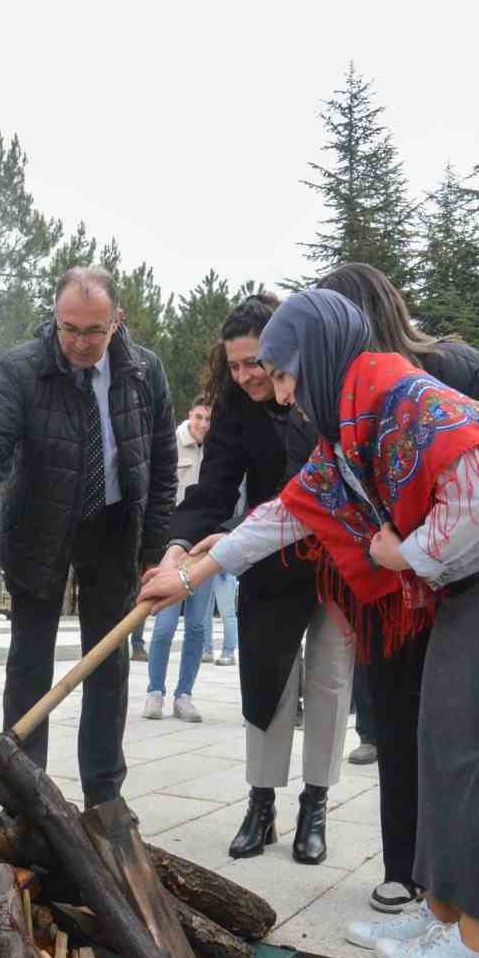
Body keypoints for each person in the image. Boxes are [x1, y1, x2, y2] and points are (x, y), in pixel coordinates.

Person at [142, 289, 479, 958]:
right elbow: (287, 513)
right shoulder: (352, 422)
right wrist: (189, 576)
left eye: (285, 375)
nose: (283, 395)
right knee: (442, 745)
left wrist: (404, 554)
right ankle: (439, 916)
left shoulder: (402, 394)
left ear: (317, 359)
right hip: (475, 582)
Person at [315, 262, 479, 914]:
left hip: (472, 581)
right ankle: (411, 872)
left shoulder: (451, 372)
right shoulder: (335, 390)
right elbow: (315, 485)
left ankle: (469, 904)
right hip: (392, 591)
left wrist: (418, 539)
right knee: (399, 726)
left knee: (468, 742)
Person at [0, 266, 177, 809]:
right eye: (69, 329)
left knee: (107, 663)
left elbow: (161, 466)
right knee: (29, 663)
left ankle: (104, 796)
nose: (80, 343)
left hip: (113, 528)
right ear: (56, 318)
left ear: (117, 321)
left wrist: (154, 553)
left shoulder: (144, 371)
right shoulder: (23, 368)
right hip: (39, 528)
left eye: (94, 331)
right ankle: (24, 789)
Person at [153, 292, 349, 864]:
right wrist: (177, 546)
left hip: (335, 560)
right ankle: (260, 804)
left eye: (255, 363)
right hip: (267, 561)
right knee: (266, 680)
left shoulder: (322, 394)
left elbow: (311, 489)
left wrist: (231, 540)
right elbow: (213, 487)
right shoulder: (235, 406)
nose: (244, 376)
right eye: (233, 365)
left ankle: (315, 805)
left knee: (329, 680)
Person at [143, 398, 214, 724]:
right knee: (164, 625)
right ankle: (154, 691)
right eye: (199, 417)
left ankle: (184, 695)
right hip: (171, 548)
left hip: (204, 550)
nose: (203, 425)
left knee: (197, 626)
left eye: (208, 420)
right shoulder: (171, 445)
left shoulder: (218, 450)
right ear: (189, 416)